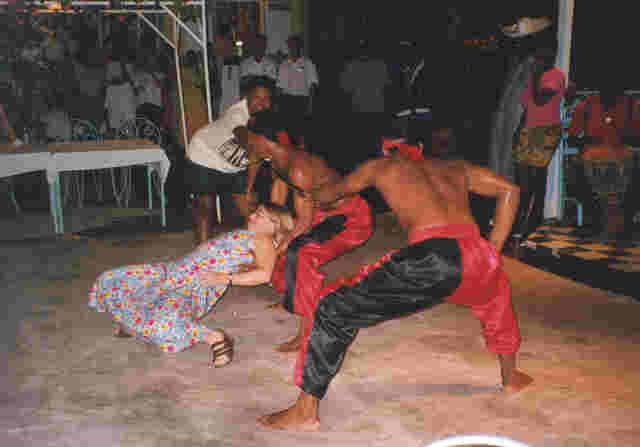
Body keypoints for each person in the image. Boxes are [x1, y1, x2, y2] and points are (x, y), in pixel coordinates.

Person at [258, 142, 532, 431]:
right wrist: (493, 252)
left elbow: (332, 194)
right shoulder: (455, 167)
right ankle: (510, 376)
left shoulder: (381, 167)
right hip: (477, 256)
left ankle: (304, 411)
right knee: (496, 303)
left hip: (432, 257)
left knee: (330, 308)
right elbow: (510, 190)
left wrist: (310, 192)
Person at [88, 203, 294, 366]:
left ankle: (213, 338)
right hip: (176, 273)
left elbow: (265, 274)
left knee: (159, 322)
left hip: (192, 284)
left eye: (260, 214)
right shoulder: (251, 236)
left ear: (274, 224)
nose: (252, 215)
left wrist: (225, 279)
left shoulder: (262, 239)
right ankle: (135, 326)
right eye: (255, 212)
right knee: (114, 282)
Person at [242, 130, 374, 352]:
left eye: (249, 140)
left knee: (299, 253)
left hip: (350, 219)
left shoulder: (299, 170)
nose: (245, 145)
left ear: (264, 141)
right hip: (320, 215)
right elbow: (279, 206)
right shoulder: (277, 161)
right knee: (276, 239)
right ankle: (292, 297)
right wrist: (276, 233)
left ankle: (308, 331)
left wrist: (282, 245)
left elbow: (304, 222)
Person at [185, 77, 272, 244]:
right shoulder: (237, 115)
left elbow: (257, 157)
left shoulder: (267, 119)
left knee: (250, 207)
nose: (262, 103)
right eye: (258, 98)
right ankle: (201, 253)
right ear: (247, 98)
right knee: (205, 208)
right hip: (204, 154)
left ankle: (260, 248)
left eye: (267, 99)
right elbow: (243, 135)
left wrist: (248, 187)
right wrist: (248, 139)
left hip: (232, 163)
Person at [567, 80, 640, 236]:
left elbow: (636, 137)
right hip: (593, 155)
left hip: (621, 153)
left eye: (615, 87)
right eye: (606, 85)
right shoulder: (587, 104)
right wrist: (589, 141)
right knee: (579, 168)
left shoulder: (630, 105)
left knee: (634, 165)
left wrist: (623, 136)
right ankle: (596, 219)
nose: (611, 91)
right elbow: (572, 138)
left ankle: (622, 220)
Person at [511, 46, 565, 242]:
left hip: (546, 132)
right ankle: (527, 220)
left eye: (542, 56)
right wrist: (518, 129)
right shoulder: (535, 78)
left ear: (551, 55)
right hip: (529, 130)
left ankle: (530, 221)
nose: (538, 60)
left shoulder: (555, 75)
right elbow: (528, 108)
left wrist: (534, 78)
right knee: (522, 178)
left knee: (534, 177)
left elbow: (541, 99)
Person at [276, 35, 319, 146]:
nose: (292, 48)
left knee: (302, 133)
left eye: (295, 46)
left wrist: (311, 105)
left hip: (302, 101)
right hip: (287, 101)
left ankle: (302, 156)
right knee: (286, 133)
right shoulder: (283, 65)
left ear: (300, 47)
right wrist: (278, 105)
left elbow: (312, 86)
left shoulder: (308, 64)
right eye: (290, 46)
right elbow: (279, 87)